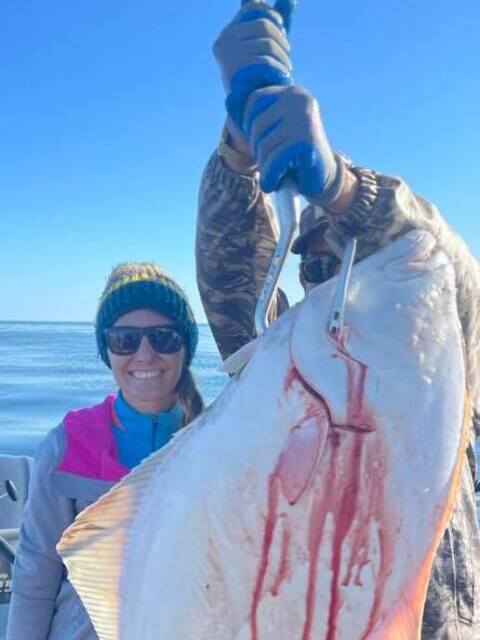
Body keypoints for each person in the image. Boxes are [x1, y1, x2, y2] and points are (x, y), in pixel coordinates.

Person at [196, 2, 480, 638]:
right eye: (319, 267)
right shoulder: (292, 362)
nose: (345, 285)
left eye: (366, 260)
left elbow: (445, 264)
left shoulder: (450, 355)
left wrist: (347, 191)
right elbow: (234, 286)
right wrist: (238, 150)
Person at [7, 262, 203, 639]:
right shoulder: (67, 444)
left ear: (185, 347)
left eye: (163, 337)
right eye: (125, 340)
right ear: (107, 350)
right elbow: (36, 573)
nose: (144, 354)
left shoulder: (217, 440)